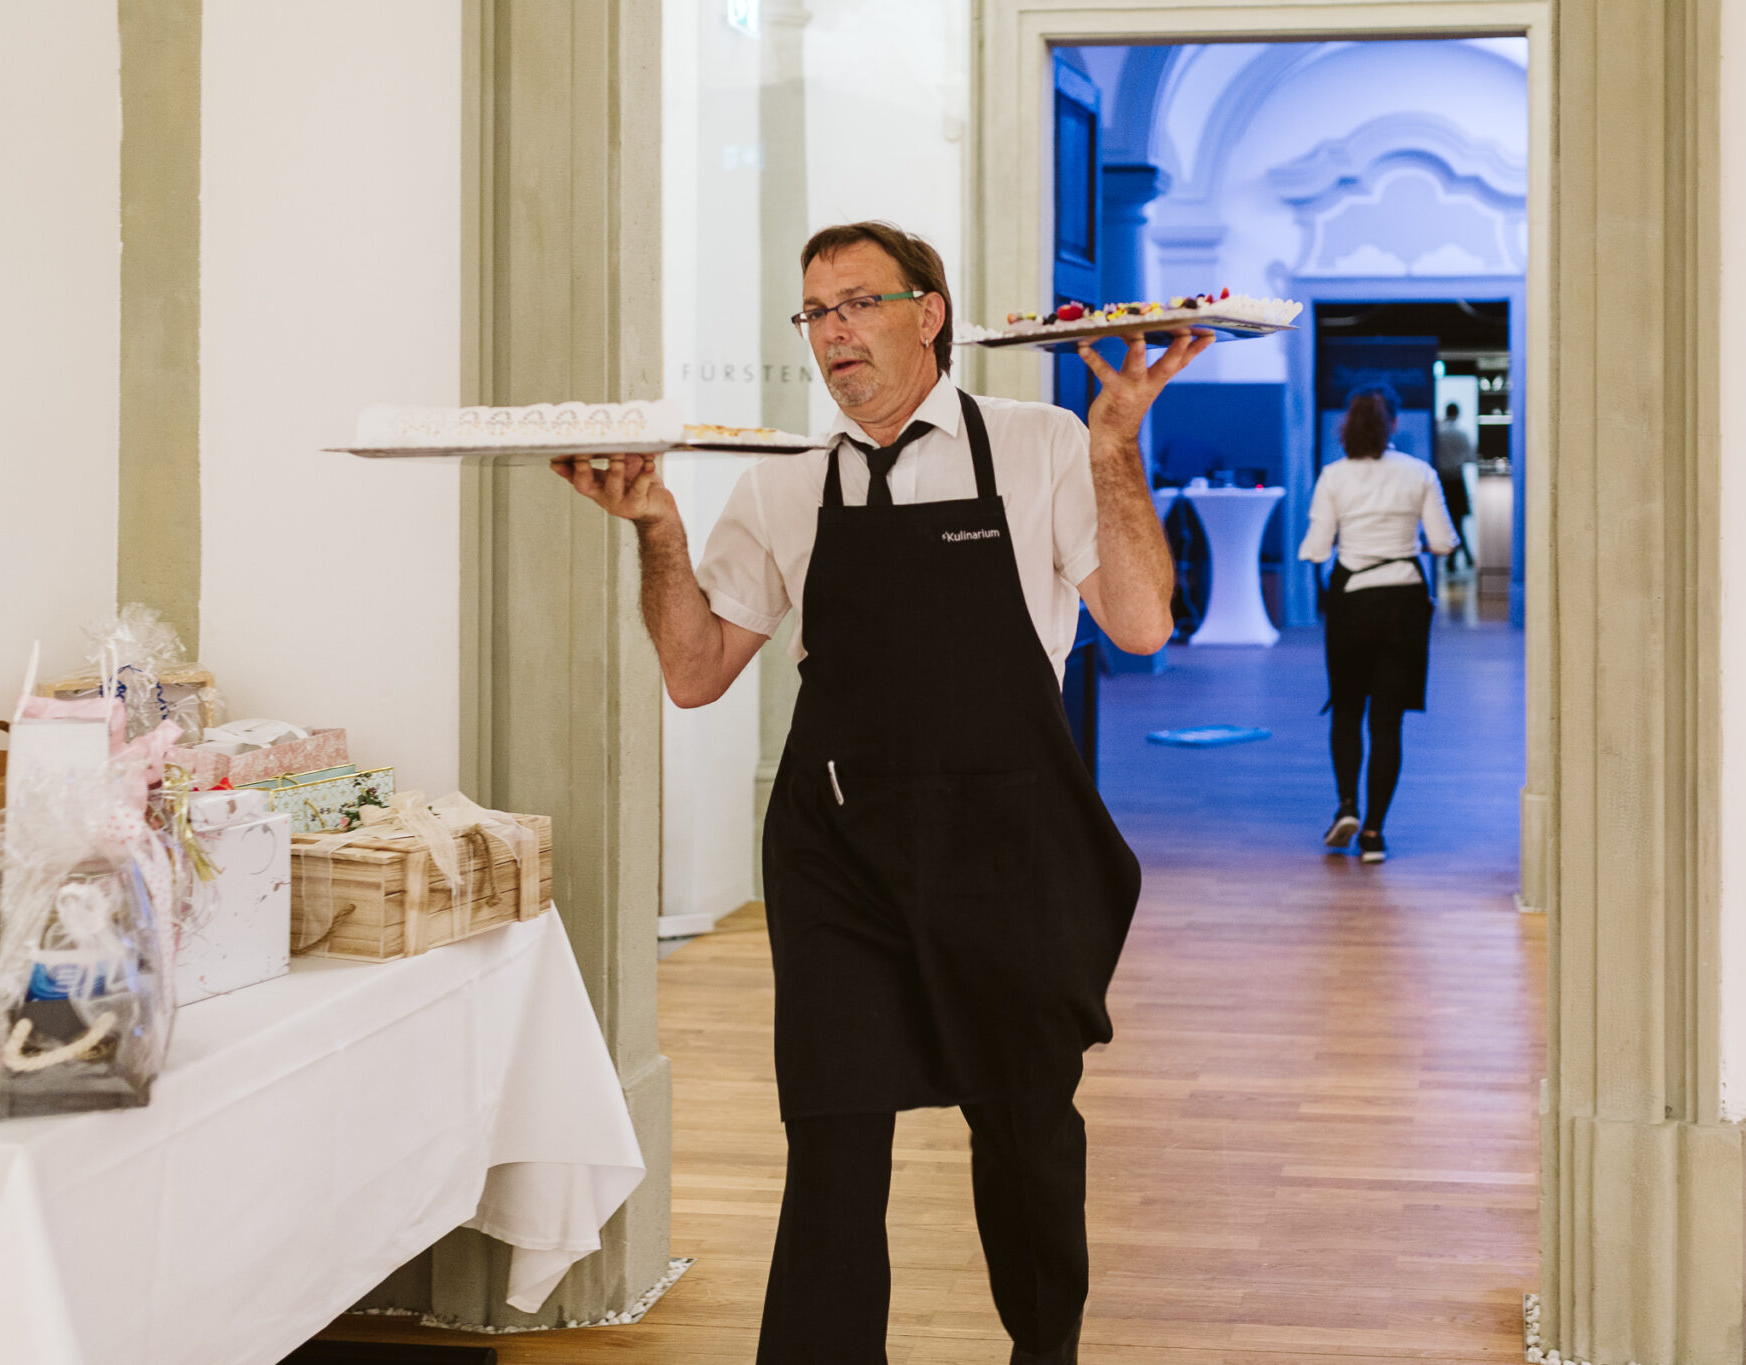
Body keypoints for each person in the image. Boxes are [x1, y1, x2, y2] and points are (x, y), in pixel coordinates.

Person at [553, 220, 1208, 1364]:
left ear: (930, 312)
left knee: (1023, 1138)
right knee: (831, 1133)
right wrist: (655, 527)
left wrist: (1114, 444)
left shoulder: (1038, 443)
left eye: (857, 303)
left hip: (1008, 849)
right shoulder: (781, 483)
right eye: (813, 312)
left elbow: (1142, 624)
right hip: (840, 850)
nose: (833, 333)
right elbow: (696, 671)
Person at [1301, 389, 1459, 863]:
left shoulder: (1333, 476)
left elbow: (1315, 547)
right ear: (1393, 425)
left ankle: (1345, 805)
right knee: (1387, 722)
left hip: (1351, 602)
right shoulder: (1420, 473)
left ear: (1347, 426)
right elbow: (1444, 542)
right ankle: (1373, 833)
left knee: (1347, 709)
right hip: (1404, 603)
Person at [1434, 401, 1475, 570]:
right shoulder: (1462, 434)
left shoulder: (1439, 433)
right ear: (1457, 414)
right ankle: (1465, 556)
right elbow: (1470, 458)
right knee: (1457, 522)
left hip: (1443, 480)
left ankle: (1457, 557)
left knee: (1449, 521)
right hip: (1457, 479)